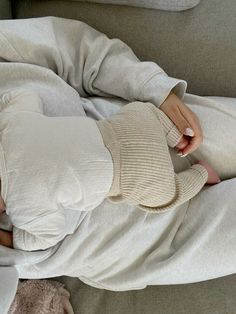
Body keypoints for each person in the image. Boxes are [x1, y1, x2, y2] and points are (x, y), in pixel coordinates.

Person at [0, 16, 236, 292]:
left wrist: (155, 89)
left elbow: (76, 51)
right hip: (130, 246)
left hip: (138, 130)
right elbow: (36, 244)